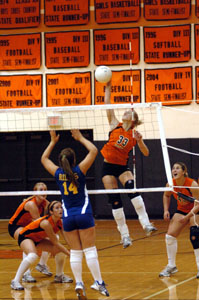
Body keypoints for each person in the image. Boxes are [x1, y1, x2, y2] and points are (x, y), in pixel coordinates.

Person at [41, 129, 109, 300]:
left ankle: (79, 283)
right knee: (90, 250)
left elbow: (43, 159)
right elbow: (94, 150)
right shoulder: (80, 170)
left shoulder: (57, 173)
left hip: (68, 218)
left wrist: (52, 142)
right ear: (74, 160)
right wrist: (80, 138)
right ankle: (98, 282)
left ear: (61, 161)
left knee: (76, 252)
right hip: (84, 214)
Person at [101, 80, 157, 248]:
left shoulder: (134, 134)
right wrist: (108, 87)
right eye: (126, 111)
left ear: (133, 120)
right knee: (115, 200)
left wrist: (140, 142)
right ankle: (124, 235)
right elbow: (107, 104)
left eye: (129, 112)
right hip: (108, 167)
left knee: (132, 188)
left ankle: (146, 223)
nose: (126, 112)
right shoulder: (114, 124)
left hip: (122, 167)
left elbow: (146, 153)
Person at [8, 182, 72, 284]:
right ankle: (25, 274)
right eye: (41, 190)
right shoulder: (31, 204)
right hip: (17, 226)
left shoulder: (44, 202)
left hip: (31, 227)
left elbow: (53, 208)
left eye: (45, 190)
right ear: (34, 191)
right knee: (30, 247)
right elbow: (39, 223)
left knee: (56, 243)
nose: (44, 192)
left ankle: (44, 266)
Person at [159, 162, 199, 277]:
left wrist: (187, 218)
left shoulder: (192, 184)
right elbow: (166, 195)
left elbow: (198, 204)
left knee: (195, 235)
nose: (174, 170)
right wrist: (166, 210)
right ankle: (171, 266)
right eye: (173, 168)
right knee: (170, 236)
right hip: (182, 210)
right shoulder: (171, 184)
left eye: (177, 168)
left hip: (195, 209)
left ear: (184, 172)